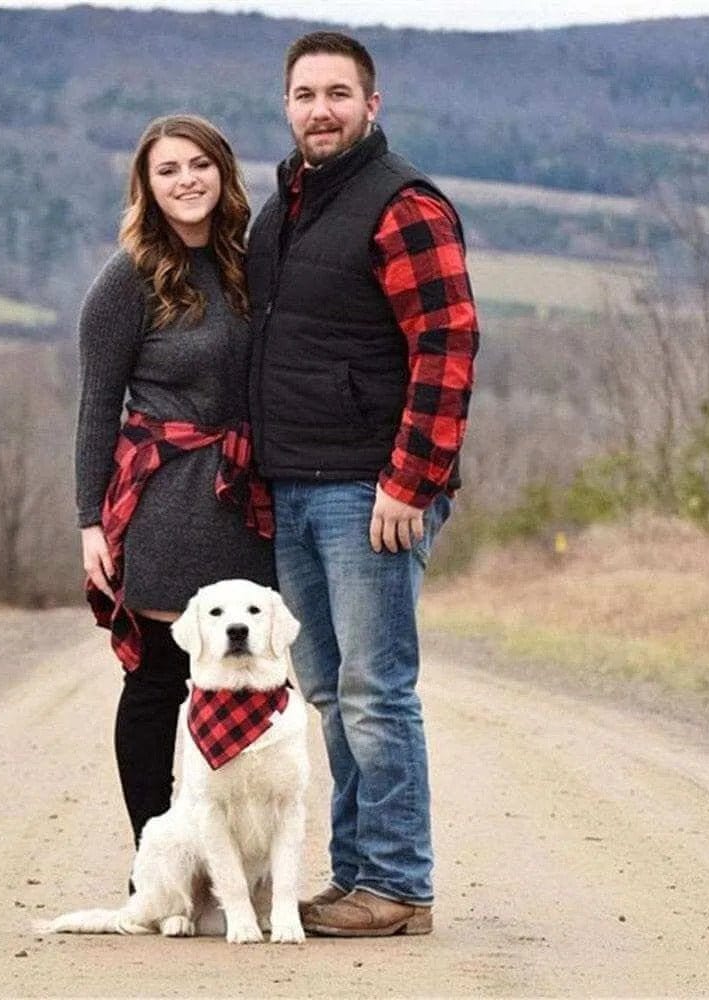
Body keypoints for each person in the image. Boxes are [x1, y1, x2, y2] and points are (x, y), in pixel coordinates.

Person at [246, 31, 479, 936]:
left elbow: (449, 344)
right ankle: (356, 879)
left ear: (371, 105)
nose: (321, 110)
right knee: (332, 695)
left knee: (378, 691)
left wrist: (411, 483)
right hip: (295, 487)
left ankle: (401, 887)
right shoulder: (285, 209)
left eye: (339, 94)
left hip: (371, 493)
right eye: (305, 95)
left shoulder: (402, 205)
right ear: (288, 106)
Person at [75, 114, 275, 853]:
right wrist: (89, 520)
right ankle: (155, 863)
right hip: (164, 502)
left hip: (249, 502)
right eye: (167, 170)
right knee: (160, 684)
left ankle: (238, 865)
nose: (186, 180)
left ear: (222, 172)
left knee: (247, 685)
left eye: (198, 165)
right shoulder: (126, 279)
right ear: (147, 186)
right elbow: (98, 406)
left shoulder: (249, 264)